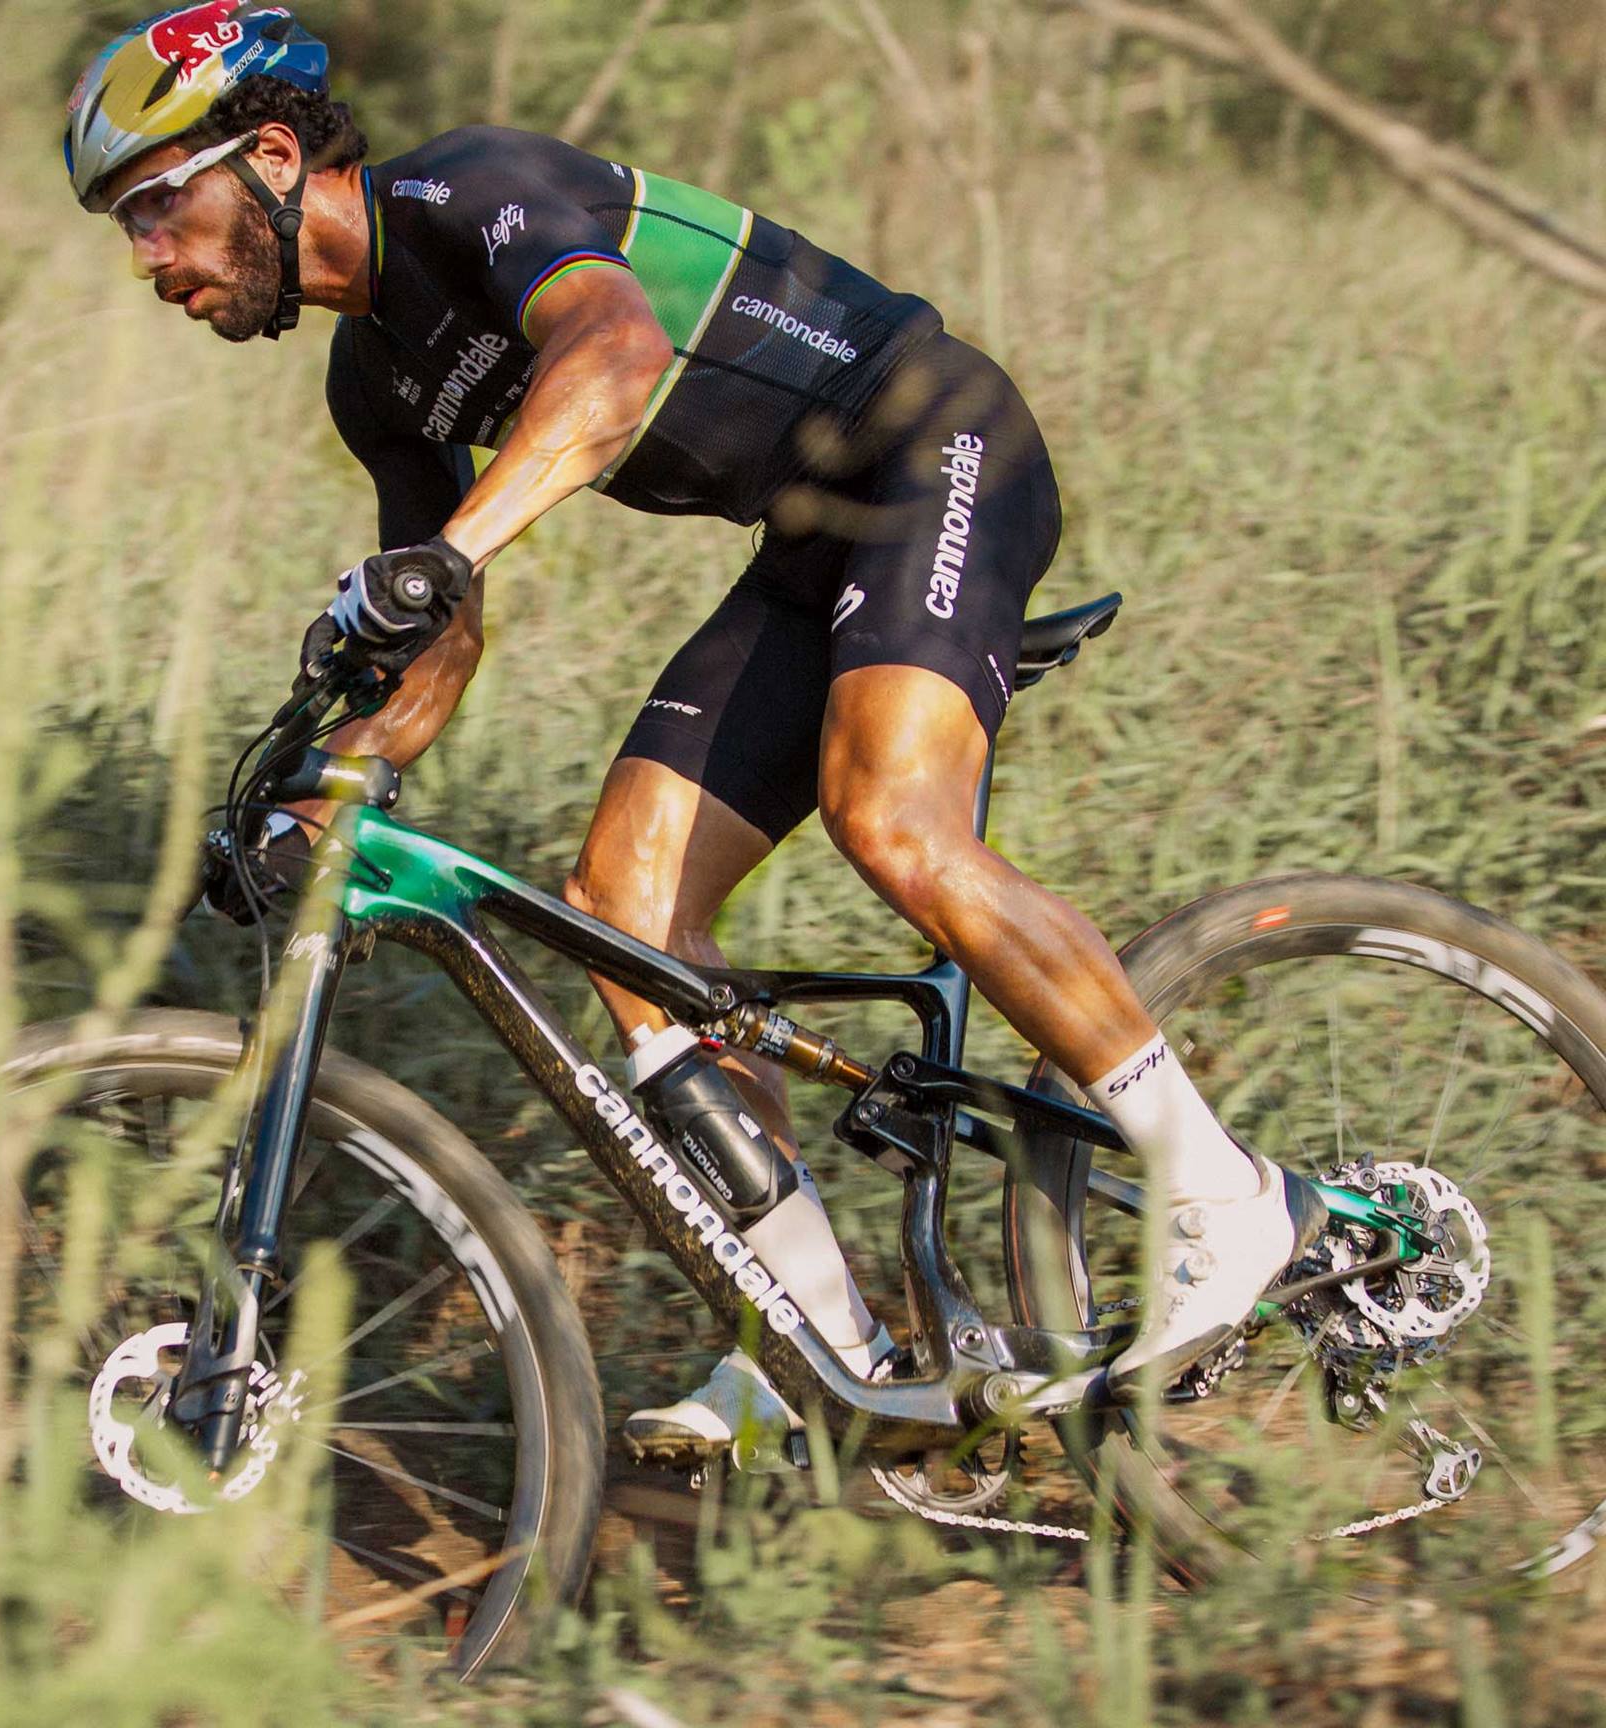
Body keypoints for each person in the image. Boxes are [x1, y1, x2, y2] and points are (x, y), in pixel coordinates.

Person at [66, 3, 1316, 1460]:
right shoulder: (373, 382)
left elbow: (610, 361)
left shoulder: (464, 191)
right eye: (128, 227)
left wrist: (454, 548)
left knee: (892, 819)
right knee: (627, 910)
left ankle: (1228, 1199)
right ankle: (815, 1346)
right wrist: (333, 783)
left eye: (160, 207)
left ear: (272, 155)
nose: (150, 261)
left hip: (933, 440)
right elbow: (442, 634)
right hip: (808, 538)